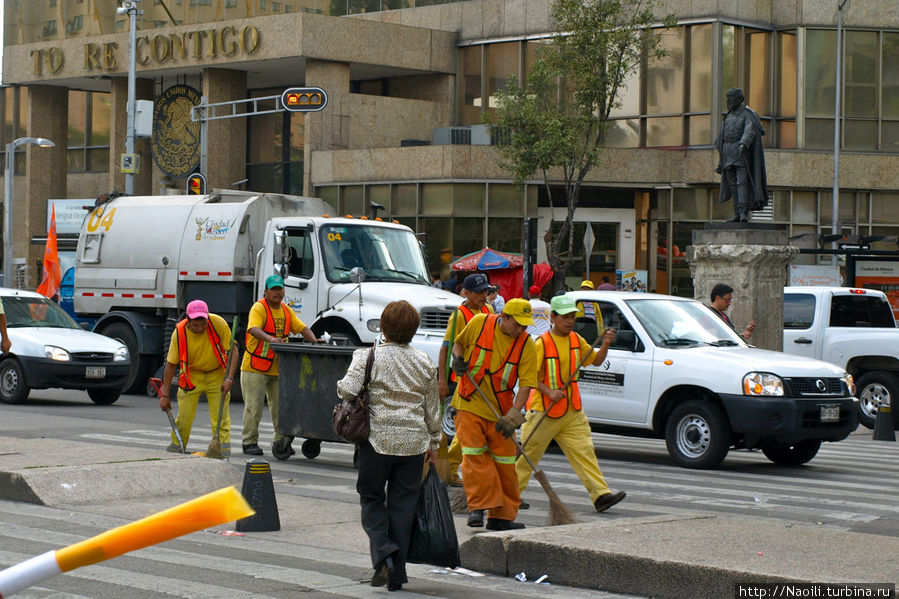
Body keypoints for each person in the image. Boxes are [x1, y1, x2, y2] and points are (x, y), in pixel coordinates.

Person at [337, 300, 441, 592]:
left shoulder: (367, 356)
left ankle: (384, 552)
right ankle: (396, 574)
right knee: (403, 507)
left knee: (371, 497)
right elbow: (432, 409)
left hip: (376, 442)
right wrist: (434, 442)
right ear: (414, 330)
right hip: (413, 445)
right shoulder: (424, 362)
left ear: (382, 327)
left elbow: (346, 389)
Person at [516, 295, 626, 513]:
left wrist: (605, 345)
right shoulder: (541, 344)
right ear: (553, 317)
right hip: (543, 411)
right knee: (528, 454)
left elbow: (595, 361)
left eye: (572, 317)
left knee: (585, 451)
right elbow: (527, 377)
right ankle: (511, 494)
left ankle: (600, 495)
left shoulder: (576, 340)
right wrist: (548, 390)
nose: (570, 321)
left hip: (571, 410)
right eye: (565, 317)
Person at [450, 298, 537, 531]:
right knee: (474, 454)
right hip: (469, 400)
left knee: (506, 463)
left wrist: (513, 416)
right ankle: (478, 506)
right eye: (517, 324)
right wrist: (457, 360)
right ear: (504, 317)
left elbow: (527, 384)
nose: (521, 329)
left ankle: (502, 517)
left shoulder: (526, 344)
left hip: (500, 411)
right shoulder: (480, 323)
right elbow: (458, 345)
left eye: (525, 326)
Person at [240, 275, 321, 456]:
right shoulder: (259, 308)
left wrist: (314, 340)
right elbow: (253, 329)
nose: (277, 292)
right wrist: (270, 338)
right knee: (253, 407)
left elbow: (301, 328)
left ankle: (280, 441)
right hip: (255, 367)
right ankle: (249, 442)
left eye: (280, 289)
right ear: (266, 292)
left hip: (277, 368)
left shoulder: (286, 310)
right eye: (273, 289)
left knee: (280, 408)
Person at [159, 300, 238, 457]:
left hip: (217, 374)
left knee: (221, 420)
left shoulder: (218, 324)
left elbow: (233, 351)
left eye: (203, 324)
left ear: (207, 318)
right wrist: (165, 394)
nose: (200, 328)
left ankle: (222, 455)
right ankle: (175, 452)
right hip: (191, 376)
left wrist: (229, 379)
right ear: (188, 320)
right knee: (184, 419)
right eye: (195, 325)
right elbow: (171, 364)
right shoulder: (179, 332)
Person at [438, 273, 494, 487]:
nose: (483, 295)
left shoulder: (488, 310)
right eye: (479, 292)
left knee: (470, 431)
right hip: (468, 381)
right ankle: (453, 469)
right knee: (468, 429)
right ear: (466, 293)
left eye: (485, 291)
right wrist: (442, 381)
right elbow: (446, 349)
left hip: (487, 381)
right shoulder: (459, 315)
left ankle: (453, 470)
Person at [715, 87, 768, 223]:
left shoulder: (748, 114)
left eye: (731, 97)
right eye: (727, 97)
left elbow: (750, 130)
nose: (728, 100)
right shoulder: (728, 116)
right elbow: (722, 136)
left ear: (739, 99)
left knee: (742, 182)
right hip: (727, 152)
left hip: (741, 153)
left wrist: (744, 143)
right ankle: (737, 213)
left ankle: (744, 212)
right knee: (732, 184)